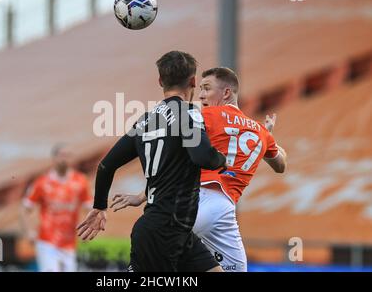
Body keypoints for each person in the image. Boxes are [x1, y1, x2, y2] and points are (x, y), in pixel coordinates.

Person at [111, 67, 287, 272]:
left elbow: (172, 160)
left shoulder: (201, 116)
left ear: (226, 93)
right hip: (223, 209)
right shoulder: (259, 131)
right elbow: (281, 165)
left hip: (193, 202)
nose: (201, 94)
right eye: (201, 89)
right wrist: (268, 136)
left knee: (155, 258)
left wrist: (143, 196)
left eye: (207, 88)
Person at [77, 51, 227, 272]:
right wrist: (224, 159)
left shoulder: (145, 120)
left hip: (176, 230)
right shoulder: (188, 113)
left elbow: (106, 166)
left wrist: (100, 205)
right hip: (163, 230)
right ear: (193, 81)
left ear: (160, 81)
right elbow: (202, 156)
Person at [20, 143, 92, 272]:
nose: (65, 159)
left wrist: (88, 229)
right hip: (47, 241)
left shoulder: (80, 181)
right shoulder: (42, 182)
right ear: (54, 158)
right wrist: (29, 232)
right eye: (62, 155)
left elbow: (90, 208)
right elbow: (25, 209)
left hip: (69, 242)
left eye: (68, 155)